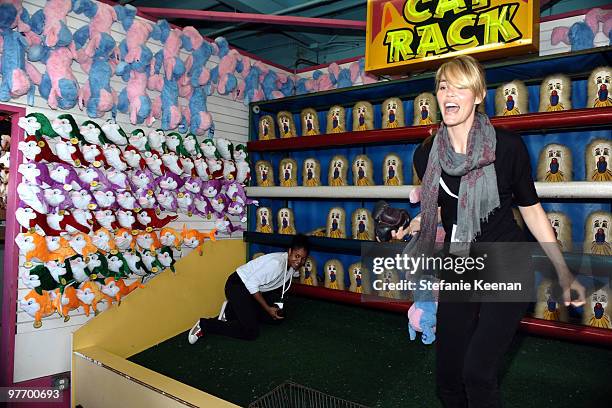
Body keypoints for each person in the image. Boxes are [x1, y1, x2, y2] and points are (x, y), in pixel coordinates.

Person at [392, 55, 586, 407]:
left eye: (459, 86)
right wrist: (412, 225)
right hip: (459, 264)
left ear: (479, 94)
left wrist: (563, 271)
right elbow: (439, 213)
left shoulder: (507, 147)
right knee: (448, 379)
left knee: (477, 374)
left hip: (506, 264)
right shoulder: (426, 155)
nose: (448, 93)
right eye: (442, 86)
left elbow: (533, 212)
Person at [188, 234, 309, 343]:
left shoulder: (291, 266)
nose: (299, 261)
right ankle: (205, 325)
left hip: (251, 291)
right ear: (289, 251)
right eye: (296, 256)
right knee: (250, 332)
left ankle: (231, 311)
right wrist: (267, 308)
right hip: (237, 285)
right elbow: (251, 284)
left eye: (303, 258)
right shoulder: (276, 264)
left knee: (277, 318)